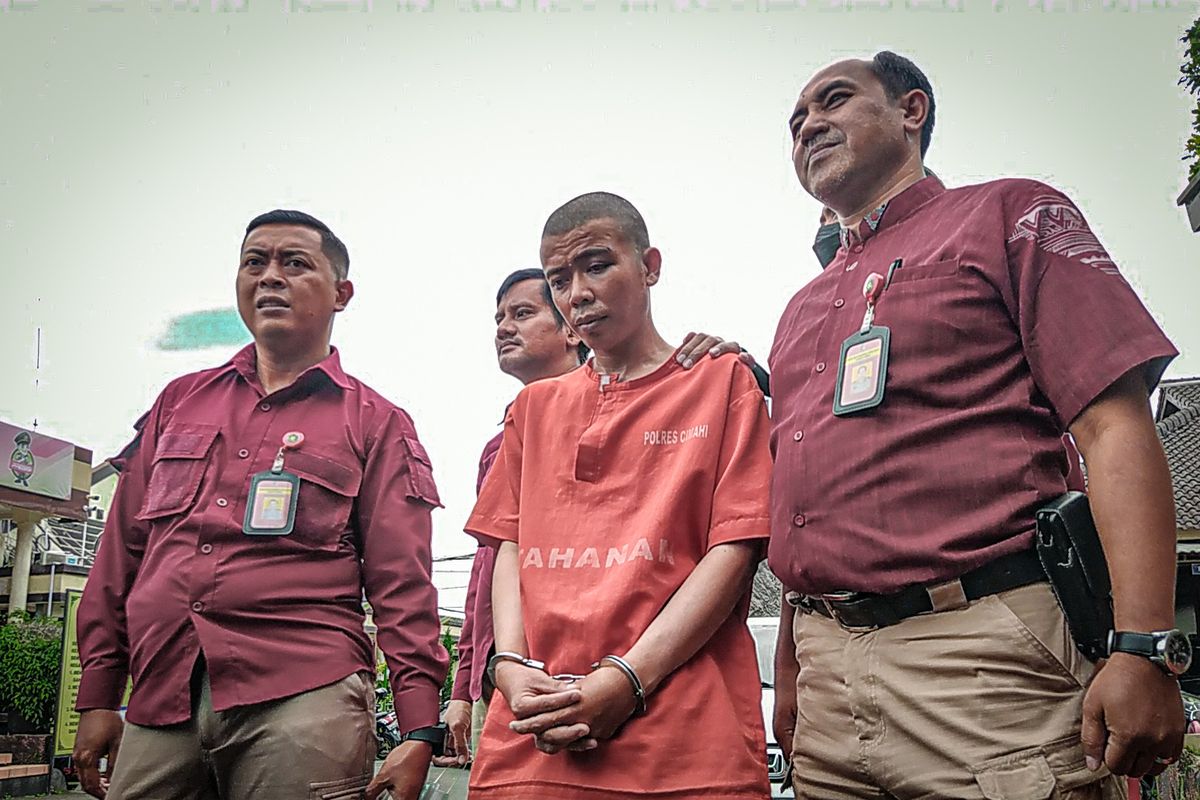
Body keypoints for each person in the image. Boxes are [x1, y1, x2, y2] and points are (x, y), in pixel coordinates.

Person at [769, 51, 1187, 799]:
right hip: (829, 685)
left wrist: (1143, 645)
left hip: (983, 658)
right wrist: (795, 667)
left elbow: (1114, 428)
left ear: (912, 111)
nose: (809, 125)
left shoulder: (1008, 213)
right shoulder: (801, 310)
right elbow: (801, 508)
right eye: (795, 121)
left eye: (833, 100)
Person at [72, 210, 447, 800]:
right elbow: (120, 554)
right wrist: (98, 693)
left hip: (303, 696)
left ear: (341, 293)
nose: (270, 276)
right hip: (160, 695)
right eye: (255, 262)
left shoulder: (376, 424)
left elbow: (402, 585)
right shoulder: (179, 402)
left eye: (294, 263)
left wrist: (419, 727)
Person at [464, 192, 774, 799]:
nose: (576, 292)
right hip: (533, 735)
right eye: (559, 278)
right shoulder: (532, 408)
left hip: (685, 740)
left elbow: (735, 549)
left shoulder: (721, 382)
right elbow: (510, 544)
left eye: (597, 265)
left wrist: (627, 679)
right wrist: (509, 668)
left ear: (650, 266)